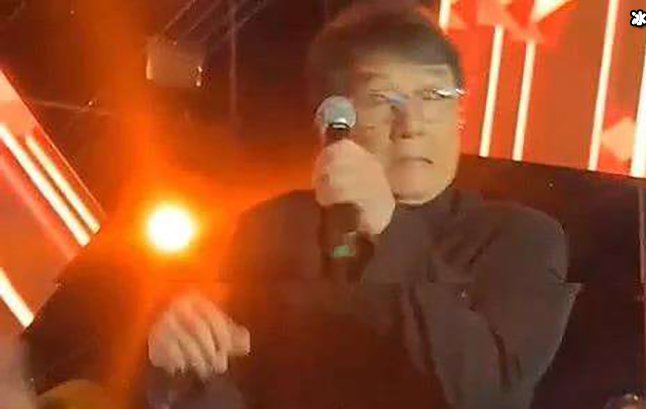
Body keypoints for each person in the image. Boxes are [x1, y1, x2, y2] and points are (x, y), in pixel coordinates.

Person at [15, 3, 580, 409]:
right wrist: (178, 366)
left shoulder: (518, 238)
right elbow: (228, 389)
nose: (412, 124)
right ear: (335, 119)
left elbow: (485, 391)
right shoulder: (270, 228)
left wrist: (388, 228)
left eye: (434, 97)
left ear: (460, 114)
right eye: (382, 99)